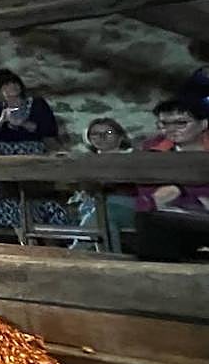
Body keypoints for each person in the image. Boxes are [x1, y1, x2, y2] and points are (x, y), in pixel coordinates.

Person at [0, 68, 67, 235]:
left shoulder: (37, 105)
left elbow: (50, 129)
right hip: (4, 155)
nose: (11, 88)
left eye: (14, 83)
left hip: (32, 152)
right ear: (1, 91)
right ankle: (24, 241)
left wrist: (23, 123)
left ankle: (49, 240)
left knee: (38, 195)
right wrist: (1, 121)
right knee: (8, 198)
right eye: (6, 85)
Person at [134, 98, 209, 261]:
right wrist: (191, 192)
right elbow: (148, 198)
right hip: (176, 219)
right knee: (150, 224)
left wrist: (178, 189)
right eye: (164, 124)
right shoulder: (153, 149)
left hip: (191, 216)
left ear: (204, 123)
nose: (170, 130)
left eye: (181, 123)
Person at [69, 118, 134, 252]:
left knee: (103, 215)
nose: (102, 137)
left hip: (126, 204)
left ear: (120, 137)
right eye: (95, 134)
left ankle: (75, 252)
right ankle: (113, 261)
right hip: (94, 206)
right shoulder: (87, 159)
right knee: (105, 222)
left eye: (108, 132)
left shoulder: (131, 157)